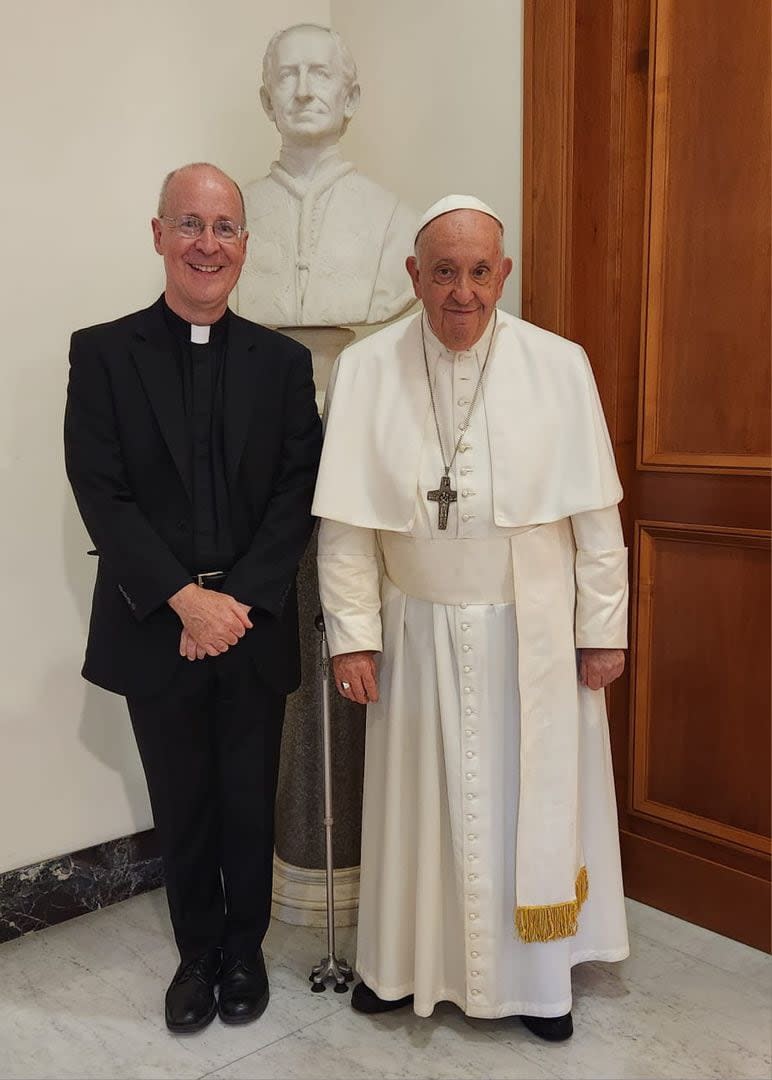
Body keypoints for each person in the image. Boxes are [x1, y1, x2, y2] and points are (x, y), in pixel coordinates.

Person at [313, 195, 629, 1041]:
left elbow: (597, 519)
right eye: (444, 272)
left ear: (505, 274)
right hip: (412, 628)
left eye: (479, 271)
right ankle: (398, 967)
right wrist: (354, 635)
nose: (463, 292)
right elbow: (345, 527)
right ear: (414, 276)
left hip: (529, 633)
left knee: (527, 812)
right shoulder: (370, 368)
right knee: (419, 814)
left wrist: (602, 627)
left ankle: (536, 987)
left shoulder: (559, 365)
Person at [64, 163, 322, 1034]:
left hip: (248, 623)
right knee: (183, 796)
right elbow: (99, 488)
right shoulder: (101, 352)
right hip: (155, 623)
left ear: (245, 245)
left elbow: (298, 490)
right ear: (159, 235)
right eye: (190, 224)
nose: (207, 243)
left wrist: (235, 603)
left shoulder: (283, 365)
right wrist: (183, 599)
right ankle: (196, 953)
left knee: (249, 794)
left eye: (224, 227)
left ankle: (244, 952)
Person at [239, 23, 417, 328]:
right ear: (268, 102)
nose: (304, 92)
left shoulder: (400, 223)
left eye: (320, 74)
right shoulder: (231, 216)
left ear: (351, 99)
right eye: (287, 76)